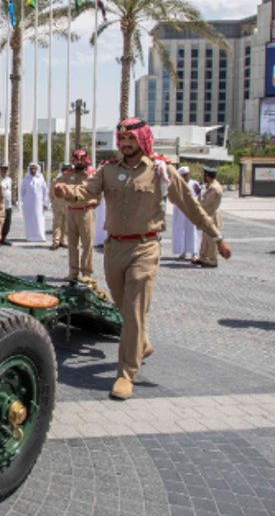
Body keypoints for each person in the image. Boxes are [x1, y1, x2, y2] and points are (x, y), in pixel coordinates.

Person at [55, 119, 230, 400]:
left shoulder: (161, 171)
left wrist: (216, 236)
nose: (125, 144)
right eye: (122, 139)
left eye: (131, 139)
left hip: (145, 247)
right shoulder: (108, 170)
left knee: (135, 310)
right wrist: (67, 192)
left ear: (142, 139)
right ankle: (142, 343)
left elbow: (190, 206)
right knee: (124, 308)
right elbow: (86, 191)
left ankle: (126, 373)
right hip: (114, 248)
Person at [60, 149, 98, 282]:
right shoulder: (67, 175)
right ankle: (73, 272)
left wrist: (95, 202)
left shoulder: (91, 175)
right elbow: (58, 188)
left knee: (87, 243)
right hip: (71, 211)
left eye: (82, 159)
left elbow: (98, 192)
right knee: (72, 244)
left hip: (86, 211)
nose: (79, 162)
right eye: (76, 159)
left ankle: (86, 273)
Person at [195, 167, 224, 268]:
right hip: (208, 215)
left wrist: (198, 195)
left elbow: (205, 203)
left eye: (205, 175)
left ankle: (213, 260)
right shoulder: (210, 186)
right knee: (205, 239)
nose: (204, 177)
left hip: (212, 216)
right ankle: (202, 257)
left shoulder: (214, 188)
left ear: (208, 176)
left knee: (211, 240)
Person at [171, 166, 199, 260]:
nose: (186, 176)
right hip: (180, 211)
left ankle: (194, 252)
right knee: (181, 231)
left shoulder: (194, 184)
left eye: (187, 175)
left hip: (191, 210)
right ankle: (183, 251)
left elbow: (198, 195)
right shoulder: (176, 185)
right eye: (184, 175)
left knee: (192, 231)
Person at [19, 163, 49, 242]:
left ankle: (40, 236)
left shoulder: (41, 179)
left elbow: (45, 191)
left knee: (39, 219)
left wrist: (45, 203)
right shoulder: (26, 179)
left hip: (39, 203)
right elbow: (22, 192)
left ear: (37, 169)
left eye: (34, 169)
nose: (32, 170)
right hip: (28, 204)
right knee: (29, 220)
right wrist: (23, 202)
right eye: (31, 169)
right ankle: (30, 237)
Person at [49, 167, 69, 250]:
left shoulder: (72, 181)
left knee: (67, 224)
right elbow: (51, 193)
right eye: (64, 171)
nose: (66, 173)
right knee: (57, 224)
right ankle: (56, 241)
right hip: (58, 205)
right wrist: (53, 202)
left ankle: (63, 241)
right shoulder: (56, 181)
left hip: (68, 205)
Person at [0, 165, 14, 247]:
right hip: (0, 204)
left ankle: (3, 238)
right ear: (0, 170)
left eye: (6, 169)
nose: (4, 171)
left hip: (8, 204)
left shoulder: (9, 180)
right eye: (3, 169)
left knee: (7, 222)